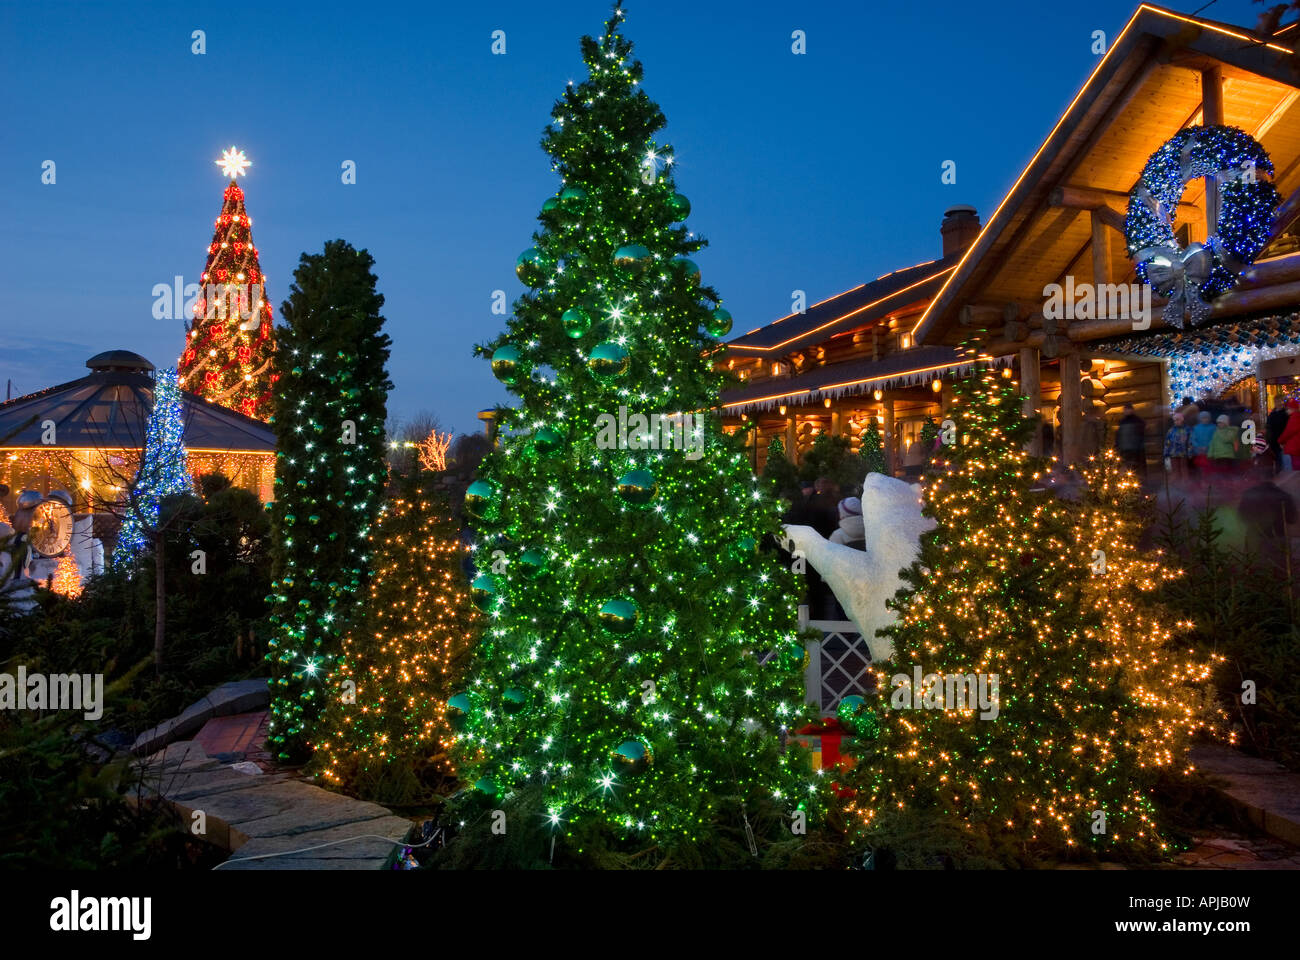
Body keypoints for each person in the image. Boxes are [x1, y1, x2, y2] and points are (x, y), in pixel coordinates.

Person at [1239, 458, 1296, 573]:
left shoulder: (1248, 494)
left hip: (1255, 539)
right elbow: (1291, 519)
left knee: (1255, 574)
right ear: (1274, 477)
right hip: (1278, 539)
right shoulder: (1284, 495)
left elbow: (1242, 516)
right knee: (1280, 573)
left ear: (1259, 477)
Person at [1114, 404, 1146, 477]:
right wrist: (1117, 446)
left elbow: (1140, 435)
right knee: (1127, 468)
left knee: (1135, 468)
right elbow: (1119, 435)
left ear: (1132, 410)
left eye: (1128, 409)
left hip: (1135, 450)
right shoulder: (1122, 422)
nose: (1127, 411)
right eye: (1125, 410)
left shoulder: (1137, 421)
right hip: (1124, 450)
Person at [1162, 413, 1191, 481]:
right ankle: (1176, 485)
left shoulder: (1187, 429)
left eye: (1178, 420)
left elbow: (1190, 442)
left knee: (1184, 469)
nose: (1176, 422)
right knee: (1175, 469)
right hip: (1173, 453)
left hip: (1183, 453)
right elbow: (1167, 442)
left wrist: (1190, 452)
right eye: (1174, 420)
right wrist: (1166, 452)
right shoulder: (1171, 431)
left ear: (1182, 420)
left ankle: (1185, 483)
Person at [1266, 396, 1290, 473]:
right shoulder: (1272, 414)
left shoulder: (1285, 414)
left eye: (1279, 401)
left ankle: (1282, 473)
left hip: (1282, 439)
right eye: (1276, 401)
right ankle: (1278, 472)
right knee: (1276, 458)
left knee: (1281, 458)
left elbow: (1287, 427)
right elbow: (1268, 426)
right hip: (1274, 439)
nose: (1277, 403)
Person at [1190, 410, 1216, 474]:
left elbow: (1215, 438)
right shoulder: (1196, 428)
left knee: (1210, 466)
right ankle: (1202, 479)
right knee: (1200, 466)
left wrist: (1208, 446)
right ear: (1200, 419)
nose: (1205, 419)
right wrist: (1197, 446)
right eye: (1203, 418)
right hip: (1198, 451)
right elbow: (1193, 438)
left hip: (1210, 450)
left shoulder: (1213, 427)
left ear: (1209, 418)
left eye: (1206, 418)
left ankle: (1209, 479)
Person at [1279, 400, 1300, 471]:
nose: (1286, 411)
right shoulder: (1296, 417)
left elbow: (1288, 432)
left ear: (1292, 409)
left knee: (1290, 470)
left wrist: (1280, 440)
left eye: (1287, 409)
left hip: (1293, 448)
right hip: (1296, 447)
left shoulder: (1294, 418)